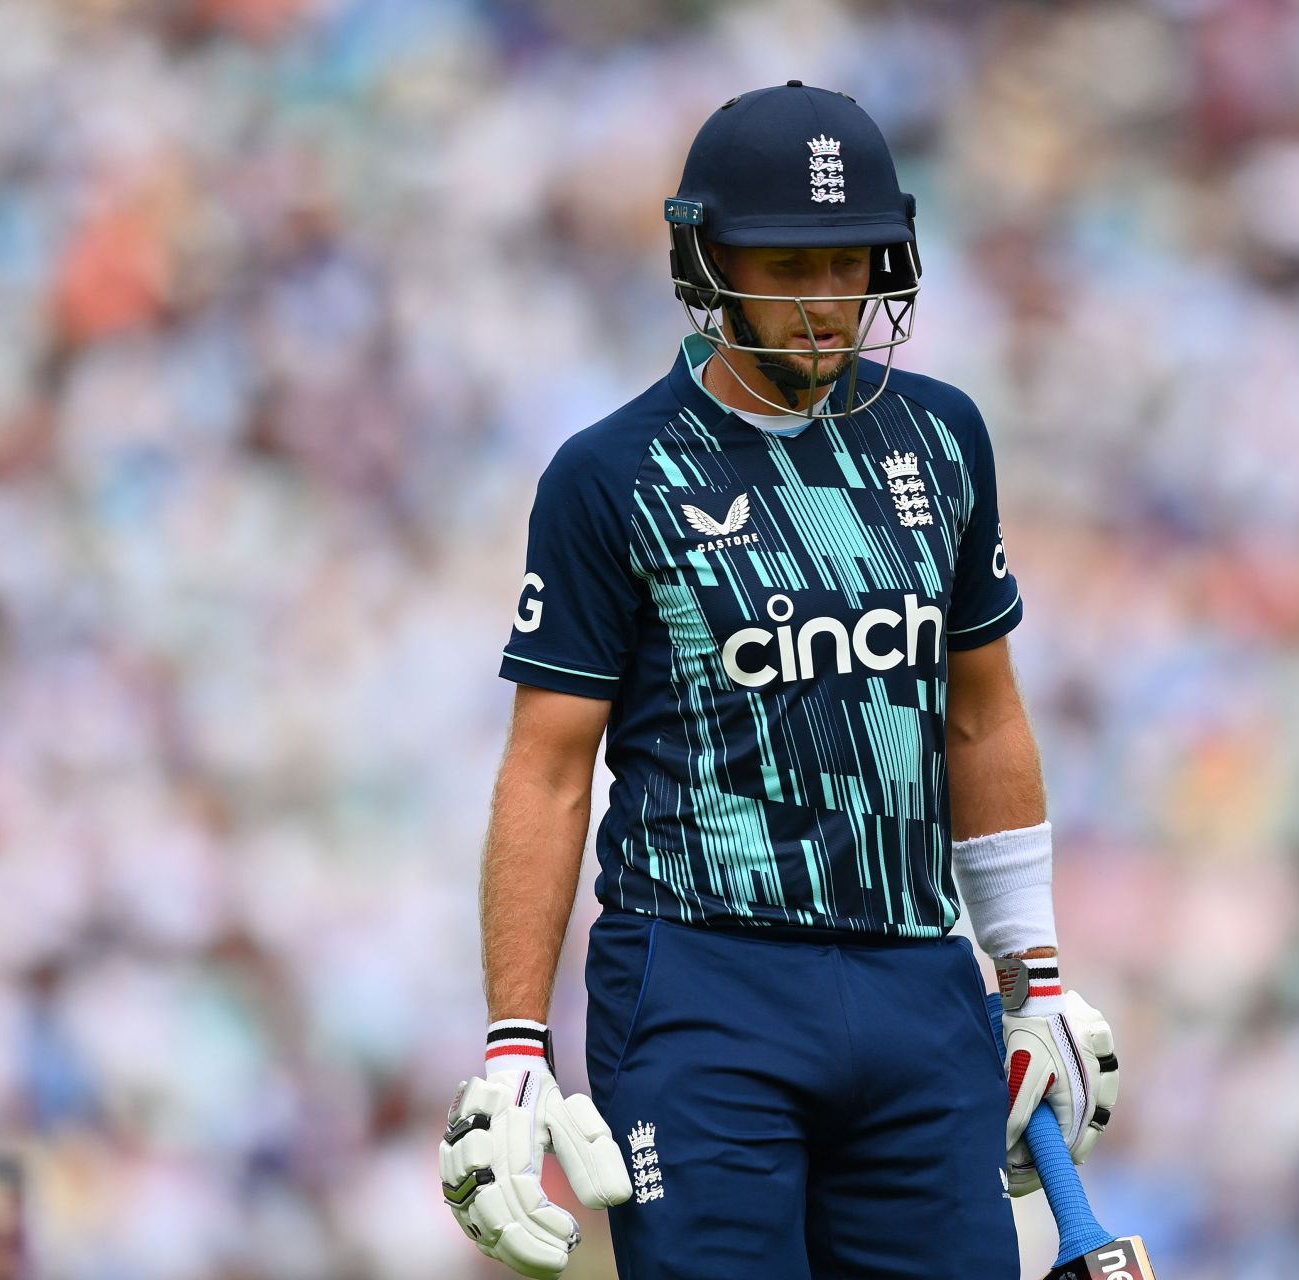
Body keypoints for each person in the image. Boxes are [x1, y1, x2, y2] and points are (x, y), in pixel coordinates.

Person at [439, 81, 1120, 1279]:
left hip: (918, 977)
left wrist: (1038, 971)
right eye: (786, 266)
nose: (825, 304)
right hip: (703, 984)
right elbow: (547, 770)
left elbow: (981, 710)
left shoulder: (944, 437)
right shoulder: (610, 474)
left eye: (848, 263)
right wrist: (513, 1043)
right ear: (707, 263)